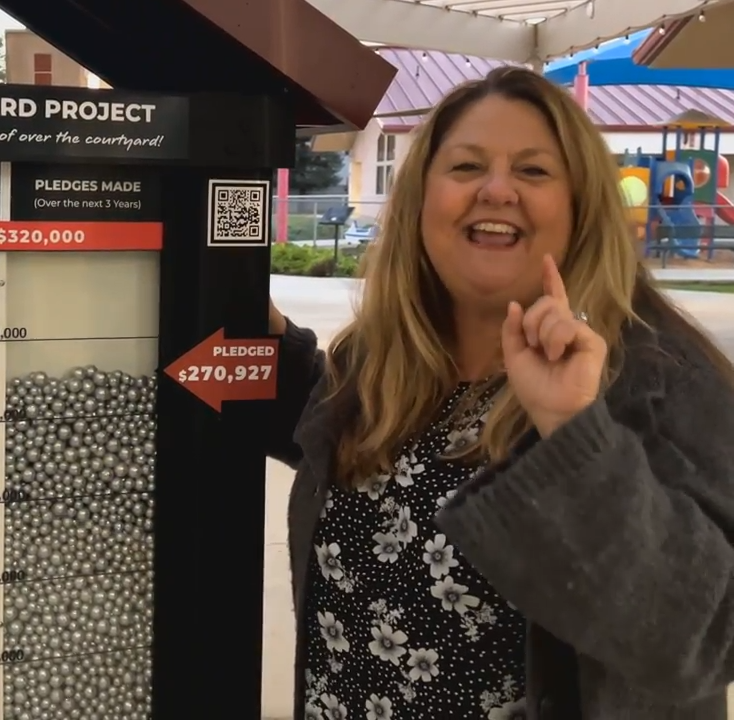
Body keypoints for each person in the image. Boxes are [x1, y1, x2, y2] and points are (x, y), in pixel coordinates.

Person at [267, 65, 734, 720]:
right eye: (466, 167)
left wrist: (574, 432)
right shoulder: (385, 358)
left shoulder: (657, 378)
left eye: (533, 171)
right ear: (421, 201)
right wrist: (244, 315)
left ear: (581, 207)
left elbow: (701, 638)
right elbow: (347, 444)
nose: (496, 189)